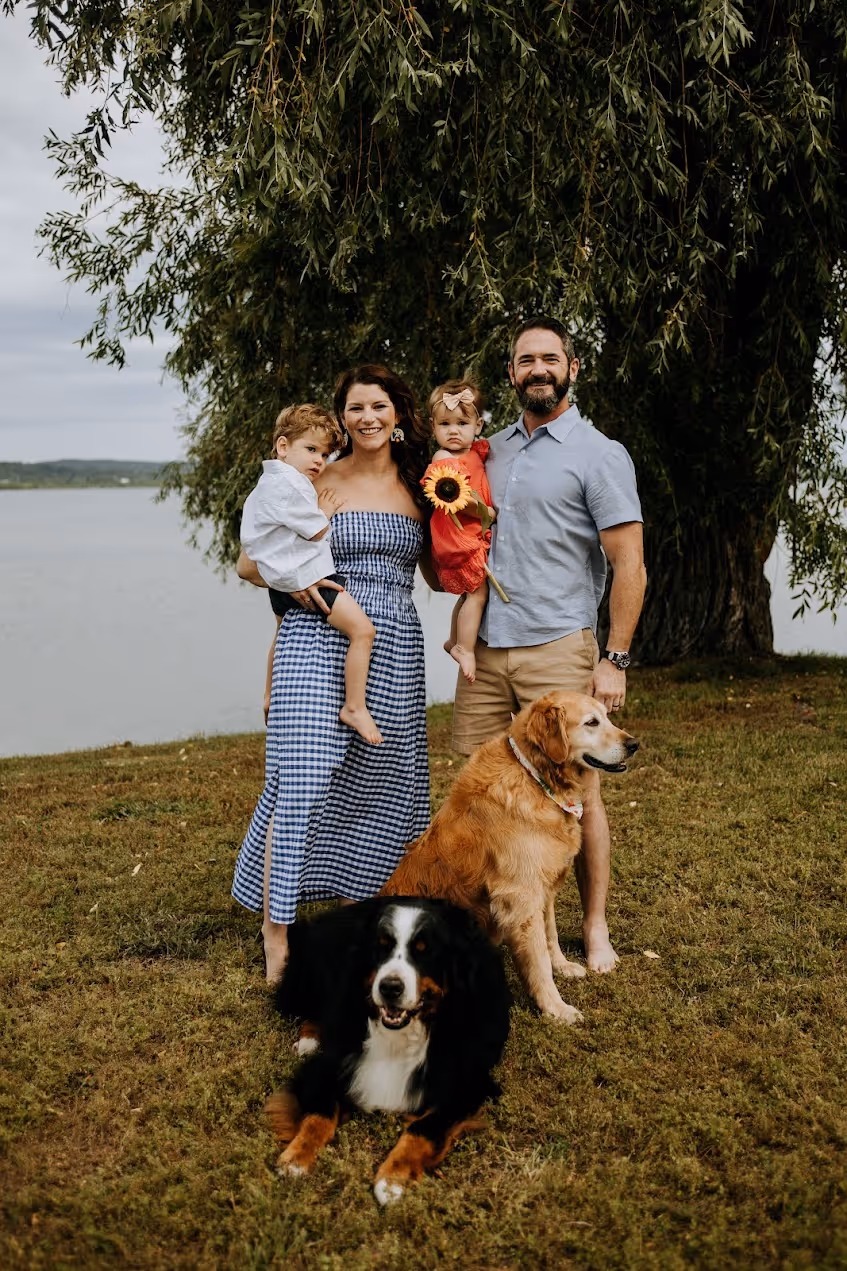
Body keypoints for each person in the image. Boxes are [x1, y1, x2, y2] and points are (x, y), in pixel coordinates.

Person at [451, 316, 647, 974]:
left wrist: (613, 657)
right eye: (524, 360)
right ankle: (499, 928)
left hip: (558, 649)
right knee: (481, 795)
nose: (537, 368)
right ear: (510, 373)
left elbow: (629, 565)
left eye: (548, 358)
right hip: (483, 652)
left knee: (577, 796)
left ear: (572, 368)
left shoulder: (598, 453)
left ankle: (590, 931)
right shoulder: (484, 451)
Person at [233, 365, 435, 985]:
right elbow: (249, 563)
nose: (367, 417)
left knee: (382, 782)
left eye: (379, 406)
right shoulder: (313, 475)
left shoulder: (422, 488)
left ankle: (359, 910)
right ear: (341, 417)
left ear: (399, 415)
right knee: (300, 779)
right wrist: (295, 589)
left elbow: (442, 573)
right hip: (316, 633)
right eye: (354, 408)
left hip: (393, 644)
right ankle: (278, 930)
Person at [241, 402, 383, 745]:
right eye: (311, 450)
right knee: (363, 631)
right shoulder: (290, 485)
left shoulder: (268, 484)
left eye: (324, 454)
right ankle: (354, 707)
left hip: (282, 582)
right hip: (306, 580)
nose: (319, 460)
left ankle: (269, 695)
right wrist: (326, 509)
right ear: (283, 447)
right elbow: (315, 531)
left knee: (281, 631)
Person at [422, 379, 495, 684]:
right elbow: (460, 496)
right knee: (478, 594)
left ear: (478, 425)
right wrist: (487, 513)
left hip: (468, 535)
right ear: (433, 427)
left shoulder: (474, 453)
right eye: (445, 423)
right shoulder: (443, 459)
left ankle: (454, 640)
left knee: (468, 595)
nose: (454, 430)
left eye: (462, 423)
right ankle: (465, 647)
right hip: (459, 536)